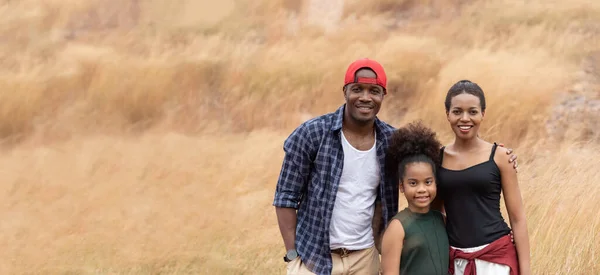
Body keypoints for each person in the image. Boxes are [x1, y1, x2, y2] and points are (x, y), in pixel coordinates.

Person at [272, 58, 519, 275]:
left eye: (374, 90)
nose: (365, 97)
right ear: (345, 91)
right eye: (357, 89)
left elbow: (429, 166)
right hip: (314, 258)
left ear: (383, 95)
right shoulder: (312, 134)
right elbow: (285, 196)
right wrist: (293, 255)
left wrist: (497, 155)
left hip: (365, 257)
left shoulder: (391, 141)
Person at [435, 80, 531, 275]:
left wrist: (526, 271)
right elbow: (436, 215)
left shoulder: (500, 156)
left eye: (472, 111)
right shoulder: (437, 159)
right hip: (456, 261)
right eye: (457, 111)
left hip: (497, 259)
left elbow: (517, 218)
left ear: (482, 114)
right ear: (447, 114)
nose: (464, 118)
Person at [380, 121, 450, 275]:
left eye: (428, 182)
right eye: (413, 183)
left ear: (436, 183)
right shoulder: (397, 227)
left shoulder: (441, 220)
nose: (421, 189)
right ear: (401, 186)